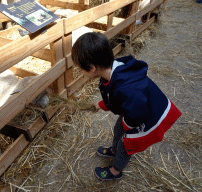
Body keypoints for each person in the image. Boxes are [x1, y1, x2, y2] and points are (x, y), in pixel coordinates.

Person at [71, 32, 182, 181]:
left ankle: (116, 170)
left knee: (126, 144)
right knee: (119, 128)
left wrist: (127, 124)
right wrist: (100, 105)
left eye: (81, 69)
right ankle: (114, 150)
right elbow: (116, 99)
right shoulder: (114, 71)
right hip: (138, 110)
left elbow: (137, 112)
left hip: (149, 119)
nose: (81, 72)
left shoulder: (126, 88)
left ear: (91, 69)